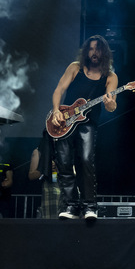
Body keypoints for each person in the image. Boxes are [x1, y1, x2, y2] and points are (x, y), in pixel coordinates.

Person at [50, 35, 117, 220]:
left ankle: (89, 206)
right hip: (65, 121)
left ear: (104, 53)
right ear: (86, 51)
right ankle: (70, 206)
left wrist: (110, 103)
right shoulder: (75, 68)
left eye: (98, 49)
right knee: (63, 162)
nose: (94, 53)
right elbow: (59, 90)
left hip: (88, 124)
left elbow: (111, 106)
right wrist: (56, 111)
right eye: (91, 49)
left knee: (86, 160)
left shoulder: (110, 77)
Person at [28, 129, 61, 219]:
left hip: (65, 186)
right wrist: (45, 169)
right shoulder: (38, 151)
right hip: (50, 188)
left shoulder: (65, 150)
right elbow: (31, 175)